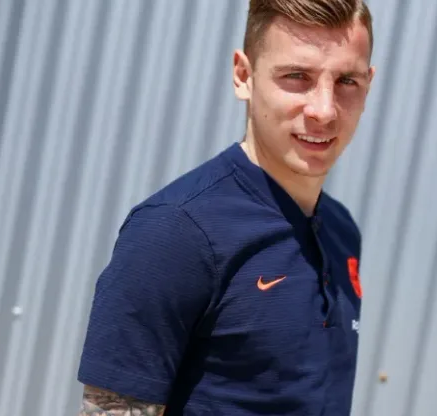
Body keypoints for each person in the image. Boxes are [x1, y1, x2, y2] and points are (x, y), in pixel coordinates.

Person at [76, 0, 375, 414]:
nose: (324, 110)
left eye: (346, 80)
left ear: (368, 85)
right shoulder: (177, 231)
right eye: (296, 77)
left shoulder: (340, 229)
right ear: (243, 76)